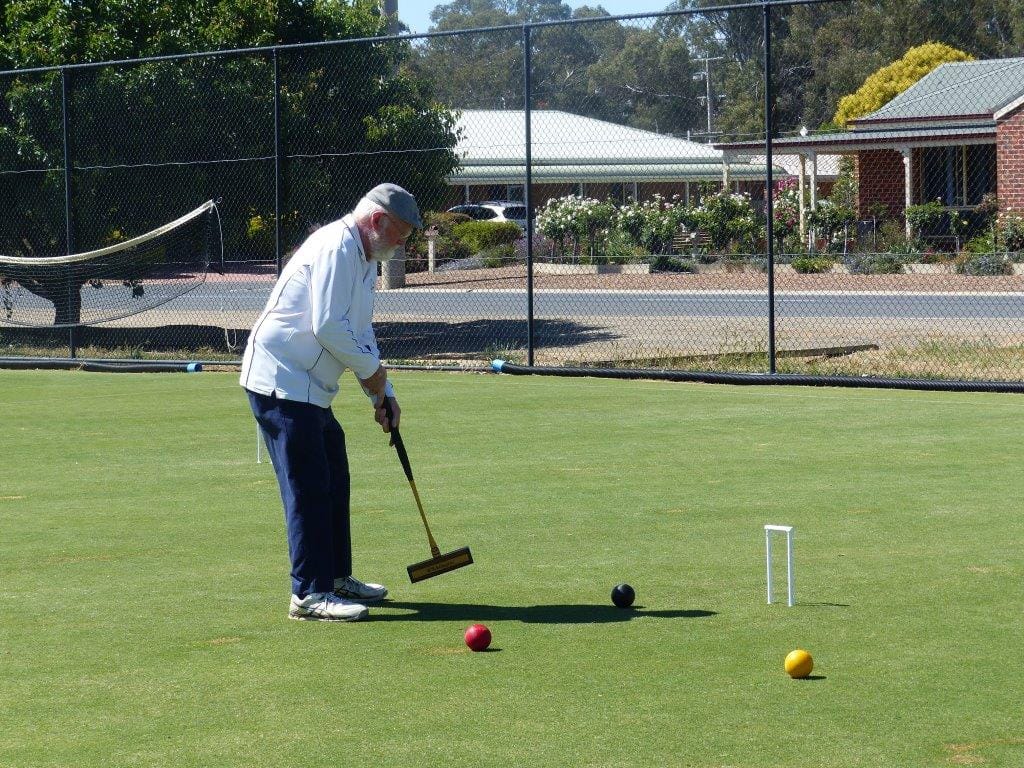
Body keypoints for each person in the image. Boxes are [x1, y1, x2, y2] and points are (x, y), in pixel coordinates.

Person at [240, 183, 421, 622]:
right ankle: (308, 593)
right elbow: (327, 326)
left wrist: (383, 392)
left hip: (310, 385)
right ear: (377, 220)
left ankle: (336, 578)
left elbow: (359, 330)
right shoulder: (336, 248)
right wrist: (372, 374)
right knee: (308, 487)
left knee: (334, 477)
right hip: (281, 380)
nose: (402, 243)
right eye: (400, 233)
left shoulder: (365, 258)